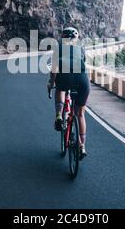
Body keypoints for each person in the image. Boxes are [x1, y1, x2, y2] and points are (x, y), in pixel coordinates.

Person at [47, 27, 90, 158]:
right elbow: (84, 64)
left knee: (60, 88)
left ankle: (59, 115)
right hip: (82, 80)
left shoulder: (59, 47)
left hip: (65, 77)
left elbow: (54, 68)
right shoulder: (81, 48)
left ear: (63, 37)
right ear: (76, 38)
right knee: (80, 114)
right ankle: (82, 146)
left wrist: (51, 83)